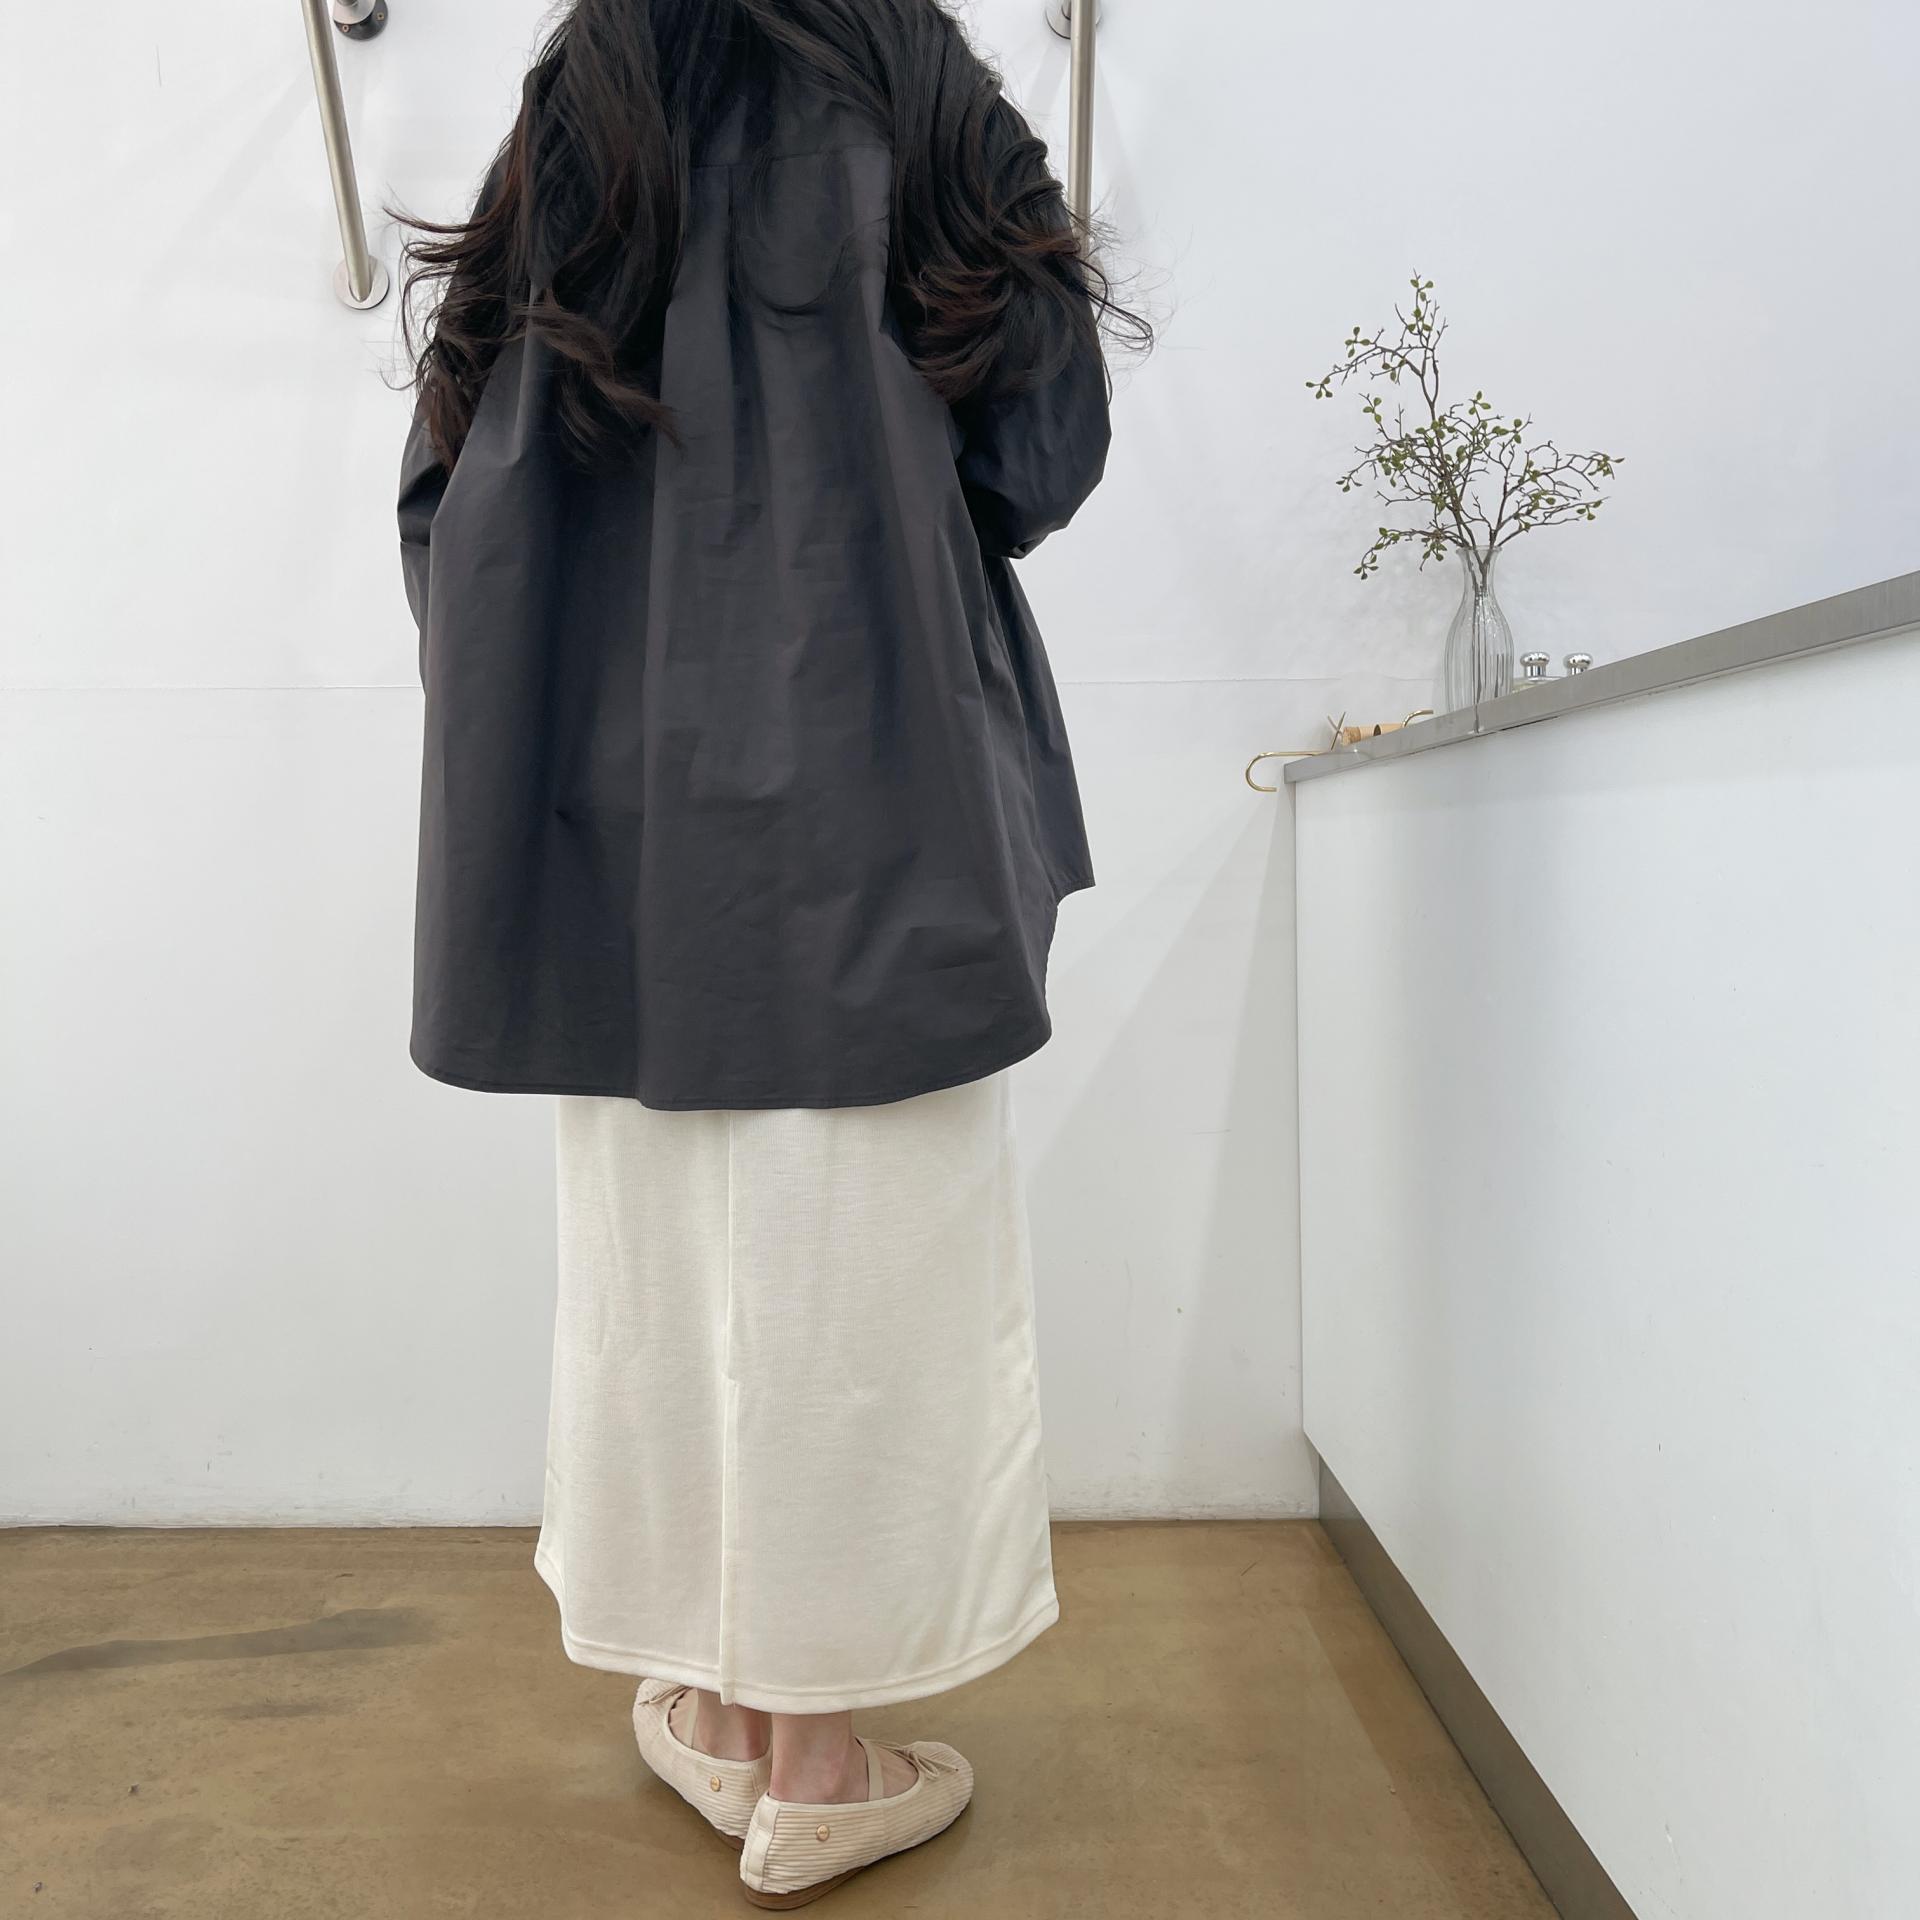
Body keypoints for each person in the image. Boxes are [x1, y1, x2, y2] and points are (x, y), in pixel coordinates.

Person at [395, 0, 1143, 1904]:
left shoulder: (586, 96)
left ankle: (727, 1710)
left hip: (614, 805)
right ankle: (818, 1755)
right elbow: (1043, 435)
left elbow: (454, 447)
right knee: (873, 1257)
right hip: (876, 767)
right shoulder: (917, 77)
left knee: (656, 1256)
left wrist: (558, 668)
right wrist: (889, 526)